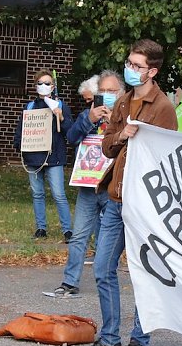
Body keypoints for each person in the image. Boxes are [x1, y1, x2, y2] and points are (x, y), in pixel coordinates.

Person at [73, 39, 178, 346]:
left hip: (143, 204)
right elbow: (106, 146)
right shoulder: (122, 102)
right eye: (129, 63)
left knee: (142, 273)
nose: (130, 70)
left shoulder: (162, 108)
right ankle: (108, 340)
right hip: (115, 197)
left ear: (153, 71)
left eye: (137, 66)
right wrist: (122, 136)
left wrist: (142, 137)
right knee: (103, 268)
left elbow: (166, 158)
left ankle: (139, 343)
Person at [47, 70, 124, 298]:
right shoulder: (87, 114)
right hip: (88, 186)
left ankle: (106, 279)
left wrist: (114, 125)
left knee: (108, 238)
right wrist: (90, 119)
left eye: (112, 91)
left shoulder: (125, 117)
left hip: (111, 187)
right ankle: (70, 282)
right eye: (104, 91)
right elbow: (71, 137)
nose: (108, 95)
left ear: (121, 93)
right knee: (79, 235)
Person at [13, 70, 73, 242]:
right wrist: (20, 146)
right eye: (40, 83)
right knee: (37, 194)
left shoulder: (60, 106)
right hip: (33, 157)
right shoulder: (30, 107)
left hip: (54, 158)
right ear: (35, 86)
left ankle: (67, 230)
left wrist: (60, 117)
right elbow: (21, 129)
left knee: (58, 194)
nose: (43, 86)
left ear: (53, 86)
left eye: (47, 83)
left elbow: (70, 131)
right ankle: (41, 228)